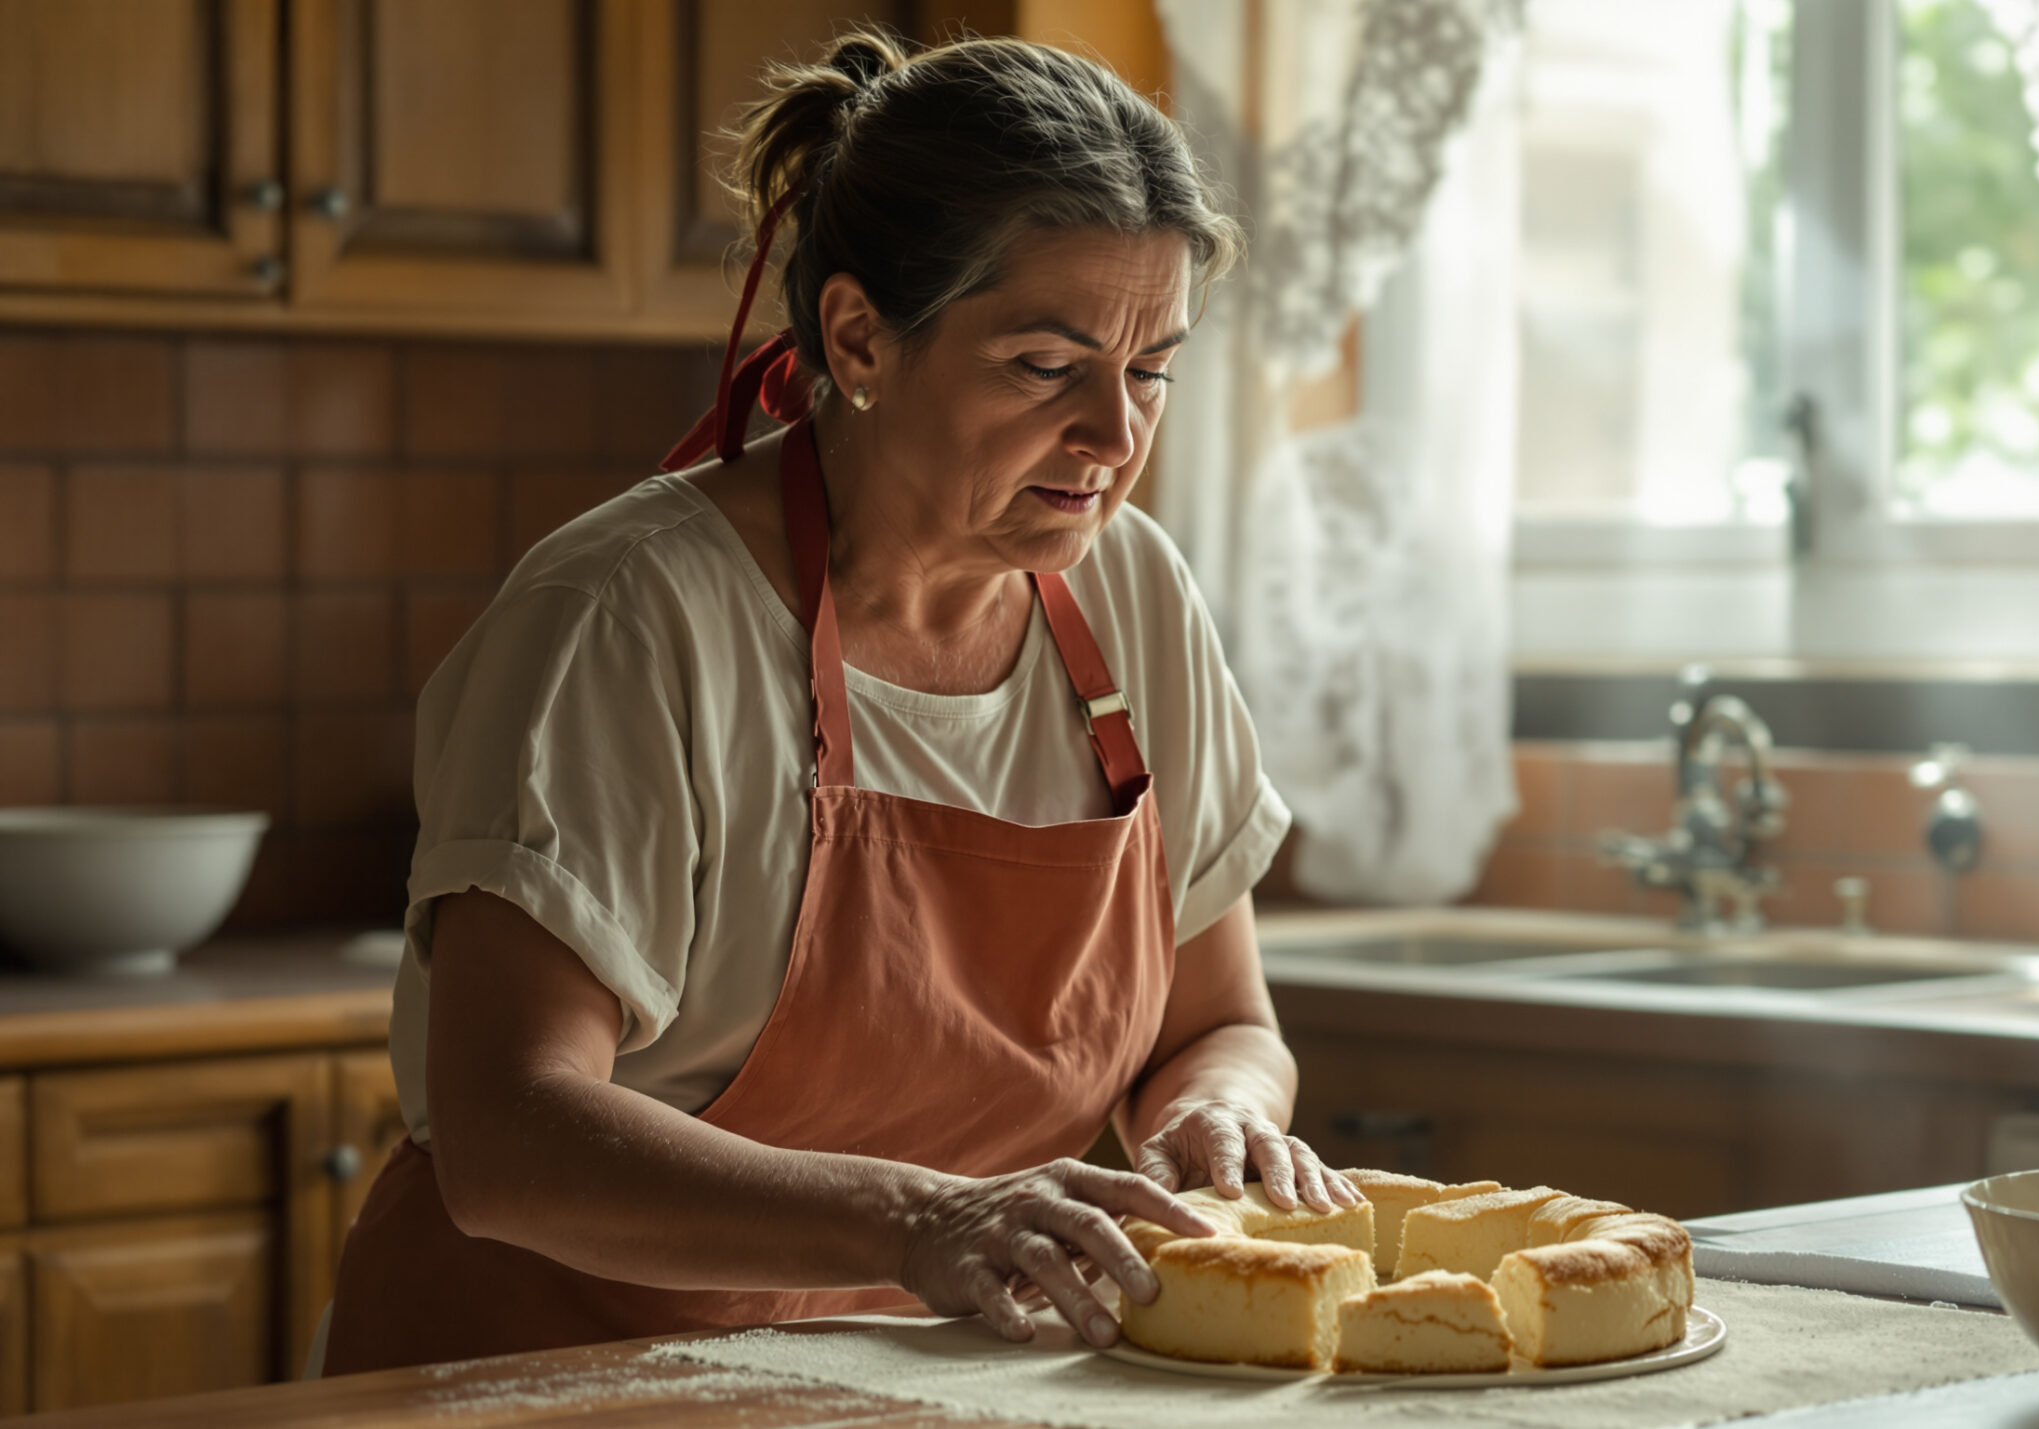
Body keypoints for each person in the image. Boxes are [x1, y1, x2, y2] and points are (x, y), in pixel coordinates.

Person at [323, 29, 1353, 1374]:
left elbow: (1217, 1024)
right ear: (862, 337)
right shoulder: (627, 615)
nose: (1115, 437)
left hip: (908, 1383)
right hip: (545, 1380)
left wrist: (1220, 1111)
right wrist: (920, 1218)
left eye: (1149, 368)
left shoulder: (1133, 598)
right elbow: (510, 1133)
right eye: (1046, 366)